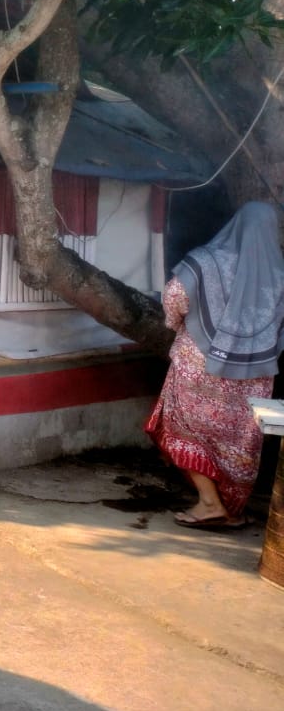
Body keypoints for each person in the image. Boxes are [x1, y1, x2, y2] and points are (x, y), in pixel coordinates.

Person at [145, 201, 284, 528]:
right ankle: (230, 509)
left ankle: (210, 503)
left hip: (200, 365)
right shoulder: (278, 274)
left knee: (185, 429)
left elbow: (174, 296)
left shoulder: (204, 261)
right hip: (254, 373)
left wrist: (177, 324)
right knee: (237, 444)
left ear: (235, 225)